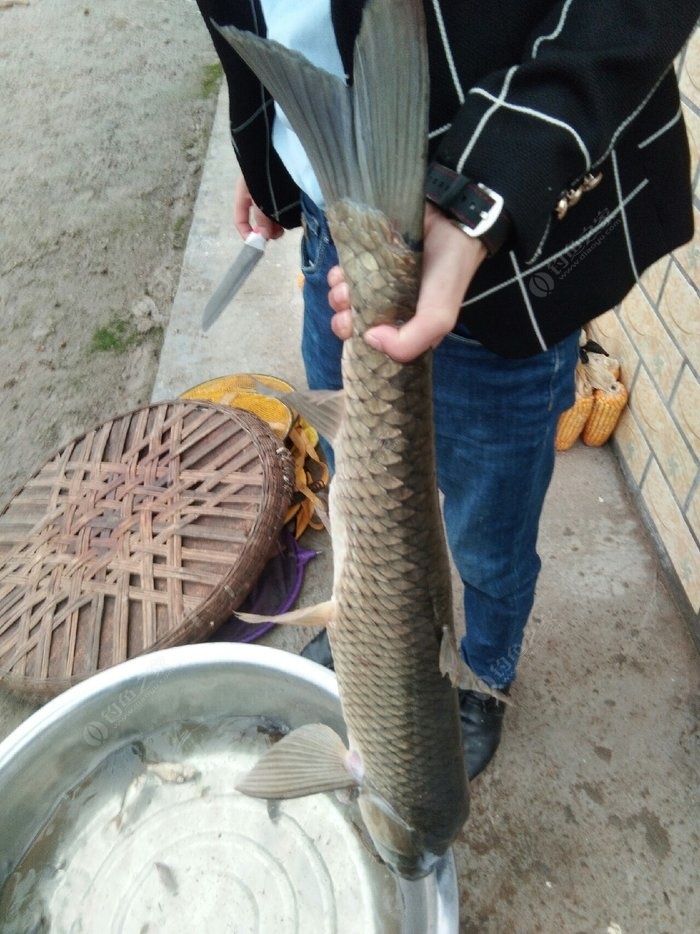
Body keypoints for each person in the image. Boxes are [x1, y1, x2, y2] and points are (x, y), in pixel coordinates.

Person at [194, 1, 696, 779]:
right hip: (334, 222)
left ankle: (484, 674)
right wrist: (271, 147)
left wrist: (484, 191)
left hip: (508, 243)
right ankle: (373, 629)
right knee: (360, 483)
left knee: (490, 539)